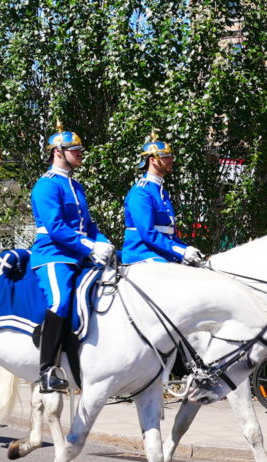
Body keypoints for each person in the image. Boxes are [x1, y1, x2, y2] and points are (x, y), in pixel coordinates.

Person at [29, 123, 114, 393]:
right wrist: (90, 246)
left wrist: (102, 243)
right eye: (74, 150)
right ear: (58, 152)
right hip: (54, 253)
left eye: (79, 149)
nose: (80, 154)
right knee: (60, 300)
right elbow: (56, 228)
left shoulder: (75, 186)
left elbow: (88, 226)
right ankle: (47, 371)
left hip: (79, 252)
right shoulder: (46, 185)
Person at [121, 135, 204, 266]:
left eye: (171, 157)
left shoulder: (160, 191)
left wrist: (186, 249)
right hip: (142, 254)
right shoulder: (141, 192)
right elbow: (147, 233)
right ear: (153, 160)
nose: (171, 160)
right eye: (166, 157)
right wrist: (180, 251)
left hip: (163, 254)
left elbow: (167, 233)